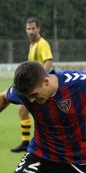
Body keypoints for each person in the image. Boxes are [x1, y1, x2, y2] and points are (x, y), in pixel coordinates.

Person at [11, 17, 54, 153]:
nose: (31, 31)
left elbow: (48, 61)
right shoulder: (32, 45)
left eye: (33, 28)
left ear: (38, 29)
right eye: (28, 29)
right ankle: (26, 142)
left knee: (34, 113)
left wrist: (41, 78)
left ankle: (37, 142)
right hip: (34, 85)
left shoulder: (42, 44)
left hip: (41, 86)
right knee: (23, 111)